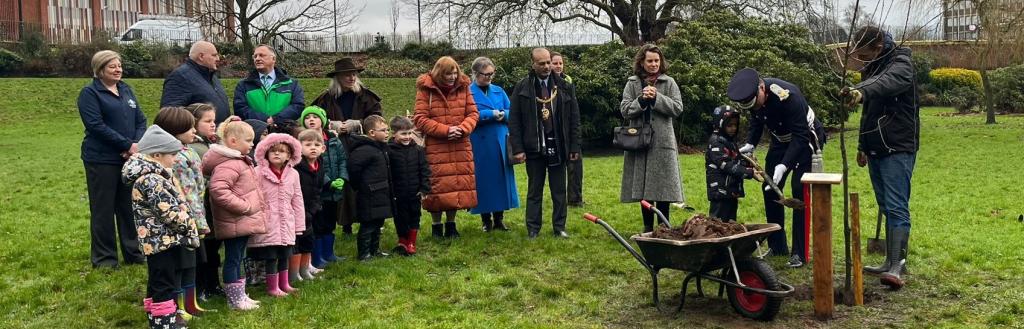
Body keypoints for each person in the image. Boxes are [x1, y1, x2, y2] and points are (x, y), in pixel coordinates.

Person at [841, 26, 919, 290]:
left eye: (864, 55)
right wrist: (863, 144)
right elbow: (869, 112)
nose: (861, 61)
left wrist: (861, 89)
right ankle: (889, 261)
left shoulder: (901, 62)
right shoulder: (872, 67)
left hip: (897, 145)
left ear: (877, 47)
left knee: (897, 205)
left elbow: (886, 83)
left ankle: (898, 265)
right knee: (886, 205)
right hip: (876, 146)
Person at [727, 67, 826, 268]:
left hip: (805, 139)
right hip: (780, 141)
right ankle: (778, 244)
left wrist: (785, 164)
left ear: (762, 88)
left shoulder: (789, 97)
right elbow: (757, 118)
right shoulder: (755, 100)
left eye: (755, 102)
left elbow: (800, 136)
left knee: (799, 191)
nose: (754, 107)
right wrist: (751, 143)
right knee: (769, 188)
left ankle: (800, 252)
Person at [122, 125, 199, 329]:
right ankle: (165, 323)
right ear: (156, 154)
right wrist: (189, 225)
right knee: (164, 282)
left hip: (159, 240)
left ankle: (157, 317)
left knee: (157, 280)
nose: (174, 159)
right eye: (172, 155)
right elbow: (168, 212)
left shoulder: (156, 176)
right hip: (161, 240)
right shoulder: (152, 180)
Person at [78, 50, 147, 268]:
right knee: (103, 209)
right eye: (112, 67)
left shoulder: (126, 89)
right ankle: (105, 259)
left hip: (129, 159)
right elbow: (95, 125)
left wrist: (135, 145)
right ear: (99, 70)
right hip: (101, 159)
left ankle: (133, 253)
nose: (118, 70)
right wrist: (125, 145)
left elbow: (141, 120)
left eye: (119, 65)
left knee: (128, 207)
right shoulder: (90, 93)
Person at [508, 48, 581, 239]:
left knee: (559, 190)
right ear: (532, 64)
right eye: (542, 63)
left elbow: (574, 118)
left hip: (558, 145)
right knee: (534, 190)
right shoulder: (522, 87)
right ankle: (533, 228)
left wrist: (574, 147)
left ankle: (559, 227)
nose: (547, 66)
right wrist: (518, 149)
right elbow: (514, 121)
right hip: (534, 148)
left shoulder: (564, 86)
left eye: (548, 62)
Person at [619, 44, 687, 233]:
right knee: (643, 187)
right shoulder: (632, 83)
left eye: (657, 60)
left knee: (663, 186)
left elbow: (677, 108)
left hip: (662, 142)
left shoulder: (669, 82)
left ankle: (664, 227)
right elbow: (624, 110)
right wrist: (641, 100)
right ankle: (648, 227)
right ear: (642, 62)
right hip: (639, 141)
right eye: (650, 61)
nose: (654, 64)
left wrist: (657, 98)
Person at [311, 58, 383, 235]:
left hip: (361, 146)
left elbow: (377, 118)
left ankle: (367, 222)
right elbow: (312, 118)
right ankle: (343, 224)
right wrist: (330, 124)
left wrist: (357, 123)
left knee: (360, 184)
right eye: (346, 75)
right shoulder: (325, 98)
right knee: (339, 183)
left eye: (354, 74)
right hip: (334, 147)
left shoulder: (366, 96)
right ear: (338, 77)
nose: (351, 78)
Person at [201, 119, 267, 310]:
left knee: (238, 257)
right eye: (248, 140)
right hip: (234, 221)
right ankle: (235, 300)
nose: (252, 144)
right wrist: (244, 207)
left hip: (241, 222)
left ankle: (240, 295)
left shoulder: (238, 160)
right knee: (233, 259)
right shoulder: (228, 164)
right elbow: (218, 190)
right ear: (232, 141)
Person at [413, 56, 480, 239]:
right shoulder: (426, 90)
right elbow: (420, 118)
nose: (452, 77)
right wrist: (445, 130)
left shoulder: (464, 87)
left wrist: (463, 129)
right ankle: (436, 226)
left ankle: (451, 225)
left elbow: (473, 113)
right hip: (436, 145)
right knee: (437, 186)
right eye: (448, 74)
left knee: (457, 184)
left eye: (454, 72)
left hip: (460, 143)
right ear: (438, 73)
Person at [152, 106, 209, 319]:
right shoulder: (176, 156)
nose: (194, 132)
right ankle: (178, 307)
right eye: (189, 128)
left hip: (193, 214)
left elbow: (197, 186)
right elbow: (187, 192)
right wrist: (198, 221)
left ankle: (190, 304)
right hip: (184, 218)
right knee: (181, 263)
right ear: (174, 130)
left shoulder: (189, 151)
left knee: (190, 264)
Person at [248, 133, 305, 297]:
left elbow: (297, 199)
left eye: (282, 151)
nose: (277, 154)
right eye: (273, 151)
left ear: (289, 155)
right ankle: (272, 287)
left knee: (284, 254)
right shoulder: (258, 172)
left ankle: (284, 283)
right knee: (271, 256)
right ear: (265, 153)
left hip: (287, 220)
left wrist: (299, 225)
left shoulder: (294, 174)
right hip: (268, 221)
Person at [467, 56, 519, 232]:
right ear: (475, 73)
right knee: (484, 181)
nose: (489, 78)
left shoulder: (498, 91)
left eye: (491, 74)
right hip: (479, 143)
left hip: (499, 142)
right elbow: (467, 116)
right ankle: (485, 220)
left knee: (500, 180)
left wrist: (503, 114)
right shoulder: (468, 93)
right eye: (485, 74)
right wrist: (488, 114)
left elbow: (513, 112)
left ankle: (499, 218)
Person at [299, 106, 348, 266]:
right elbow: (315, 167)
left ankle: (329, 253)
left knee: (330, 222)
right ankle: (317, 257)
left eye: (315, 116)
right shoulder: (303, 141)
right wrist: (328, 182)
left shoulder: (333, 139)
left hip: (335, 191)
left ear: (323, 120)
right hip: (318, 190)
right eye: (307, 117)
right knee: (317, 225)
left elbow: (342, 160)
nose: (311, 120)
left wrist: (342, 177)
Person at [185, 103, 224, 301]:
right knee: (203, 250)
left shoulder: (212, 144)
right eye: (207, 121)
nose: (212, 125)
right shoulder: (193, 148)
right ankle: (201, 287)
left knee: (214, 248)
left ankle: (213, 283)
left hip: (214, 205)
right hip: (201, 206)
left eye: (214, 121)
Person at [347, 115, 395, 260]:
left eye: (388, 130)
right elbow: (354, 170)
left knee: (378, 223)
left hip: (381, 192)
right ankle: (364, 253)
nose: (387, 133)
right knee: (368, 225)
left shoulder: (381, 148)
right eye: (383, 130)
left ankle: (375, 250)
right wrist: (361, 187)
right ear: (372, 133)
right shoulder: (363, 150)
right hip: (368, 193)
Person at [705, 105, 760, 221]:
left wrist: (749, 164)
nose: (733, 128)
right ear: (720, 124)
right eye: (729, 125)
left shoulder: (730, 142)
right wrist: (749, 172)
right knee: (717, 225)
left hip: (731, 191)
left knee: (731, 224)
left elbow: (736, 160)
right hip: (720, 192)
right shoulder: (715, 143)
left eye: (735, 125)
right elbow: (727, 165)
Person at [388, 116, 431, 255]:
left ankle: (411, 242)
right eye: (403, 134)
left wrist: (424, 188)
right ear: (394, 133)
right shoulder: (389, 151)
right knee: (400, 217)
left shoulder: (418, 150)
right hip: (397, 192)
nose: (407, 137)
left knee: (414, 216)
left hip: (414, 192)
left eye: (409, 133)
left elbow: (425, 170)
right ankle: (402, 240)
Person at [161, 41, 231, 123]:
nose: (218, 59)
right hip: (198, 135)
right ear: (201, 56)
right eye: (214, 55)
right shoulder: (181, 77)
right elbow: (171, 114)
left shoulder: (211, 76)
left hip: (217, 133)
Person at [233, 45, 305, 123]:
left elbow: (298, 106)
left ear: (273, 59)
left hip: (284, 131)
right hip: (255, 132)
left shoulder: (292, 84)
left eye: (261, 55)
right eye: (255, 56)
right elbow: (240, 108)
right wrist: (265, 120)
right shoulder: (243, 85)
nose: (257, 59)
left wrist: (276, 119)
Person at [551, 51, 584, 207]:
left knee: (576, 167)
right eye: (555, 63)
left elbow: (574, 110)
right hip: (554, 132)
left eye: (560, 63)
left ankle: (575, 198)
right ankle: (559, 199)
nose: (558, 66)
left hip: (569, 130)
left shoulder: (568, 82)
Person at [293, 129, 326, 280]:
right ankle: (294, 273)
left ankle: (305, 269)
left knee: (308, 239)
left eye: (317, 144)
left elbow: (319, 189)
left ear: (323, 148)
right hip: (295, 210)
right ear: (299, 147)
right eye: (308, 144)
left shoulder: (320, 164)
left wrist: (313, 209)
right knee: (296, 242)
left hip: (311, 210)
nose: (313, 147)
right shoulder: (296, 167)